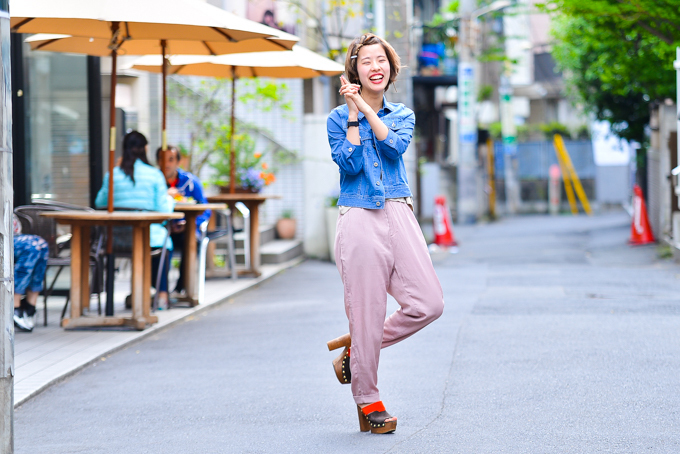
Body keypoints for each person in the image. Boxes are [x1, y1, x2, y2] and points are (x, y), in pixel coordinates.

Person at [326, 33, 445, 434]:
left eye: (382, 61)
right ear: (354, 71)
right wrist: (353, 114)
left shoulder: (403, 114)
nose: (375, 67)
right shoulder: (336, 120)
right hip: (358, 214)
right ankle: (368, 399)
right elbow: (351, 163)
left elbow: (393, 148)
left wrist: (363, 106)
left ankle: (357, 347)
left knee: (428, 302)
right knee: (366, 309)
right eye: (366, 62)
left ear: (391, 70)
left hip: (398, 210)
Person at [95, 131, 175, 309]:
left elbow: (100, 203)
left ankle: (142, 292)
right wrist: (170, 198)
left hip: (116, 238)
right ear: (145, 149)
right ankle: (162, 294)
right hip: (149, 237)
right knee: (163, 240)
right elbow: (164, 210)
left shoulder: (112, 175)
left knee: (153, 241)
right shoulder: (154, 175)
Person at [156, 145, 211, 295]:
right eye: (162, 159)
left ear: (178, 162)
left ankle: (182, 288)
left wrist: (190, 224)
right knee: (153, 242)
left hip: (184, 231)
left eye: (171, 160)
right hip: (160, 229)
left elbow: (205, 209)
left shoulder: (191, 182)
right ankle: (160, 290)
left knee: (191, 240)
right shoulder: (154, 183)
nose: (166, 164)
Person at [12, 214, 48, 332]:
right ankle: (14, 305)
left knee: (41, 245)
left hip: (13, 237)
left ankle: (30, 305)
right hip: (5, 238)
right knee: (31, 247)